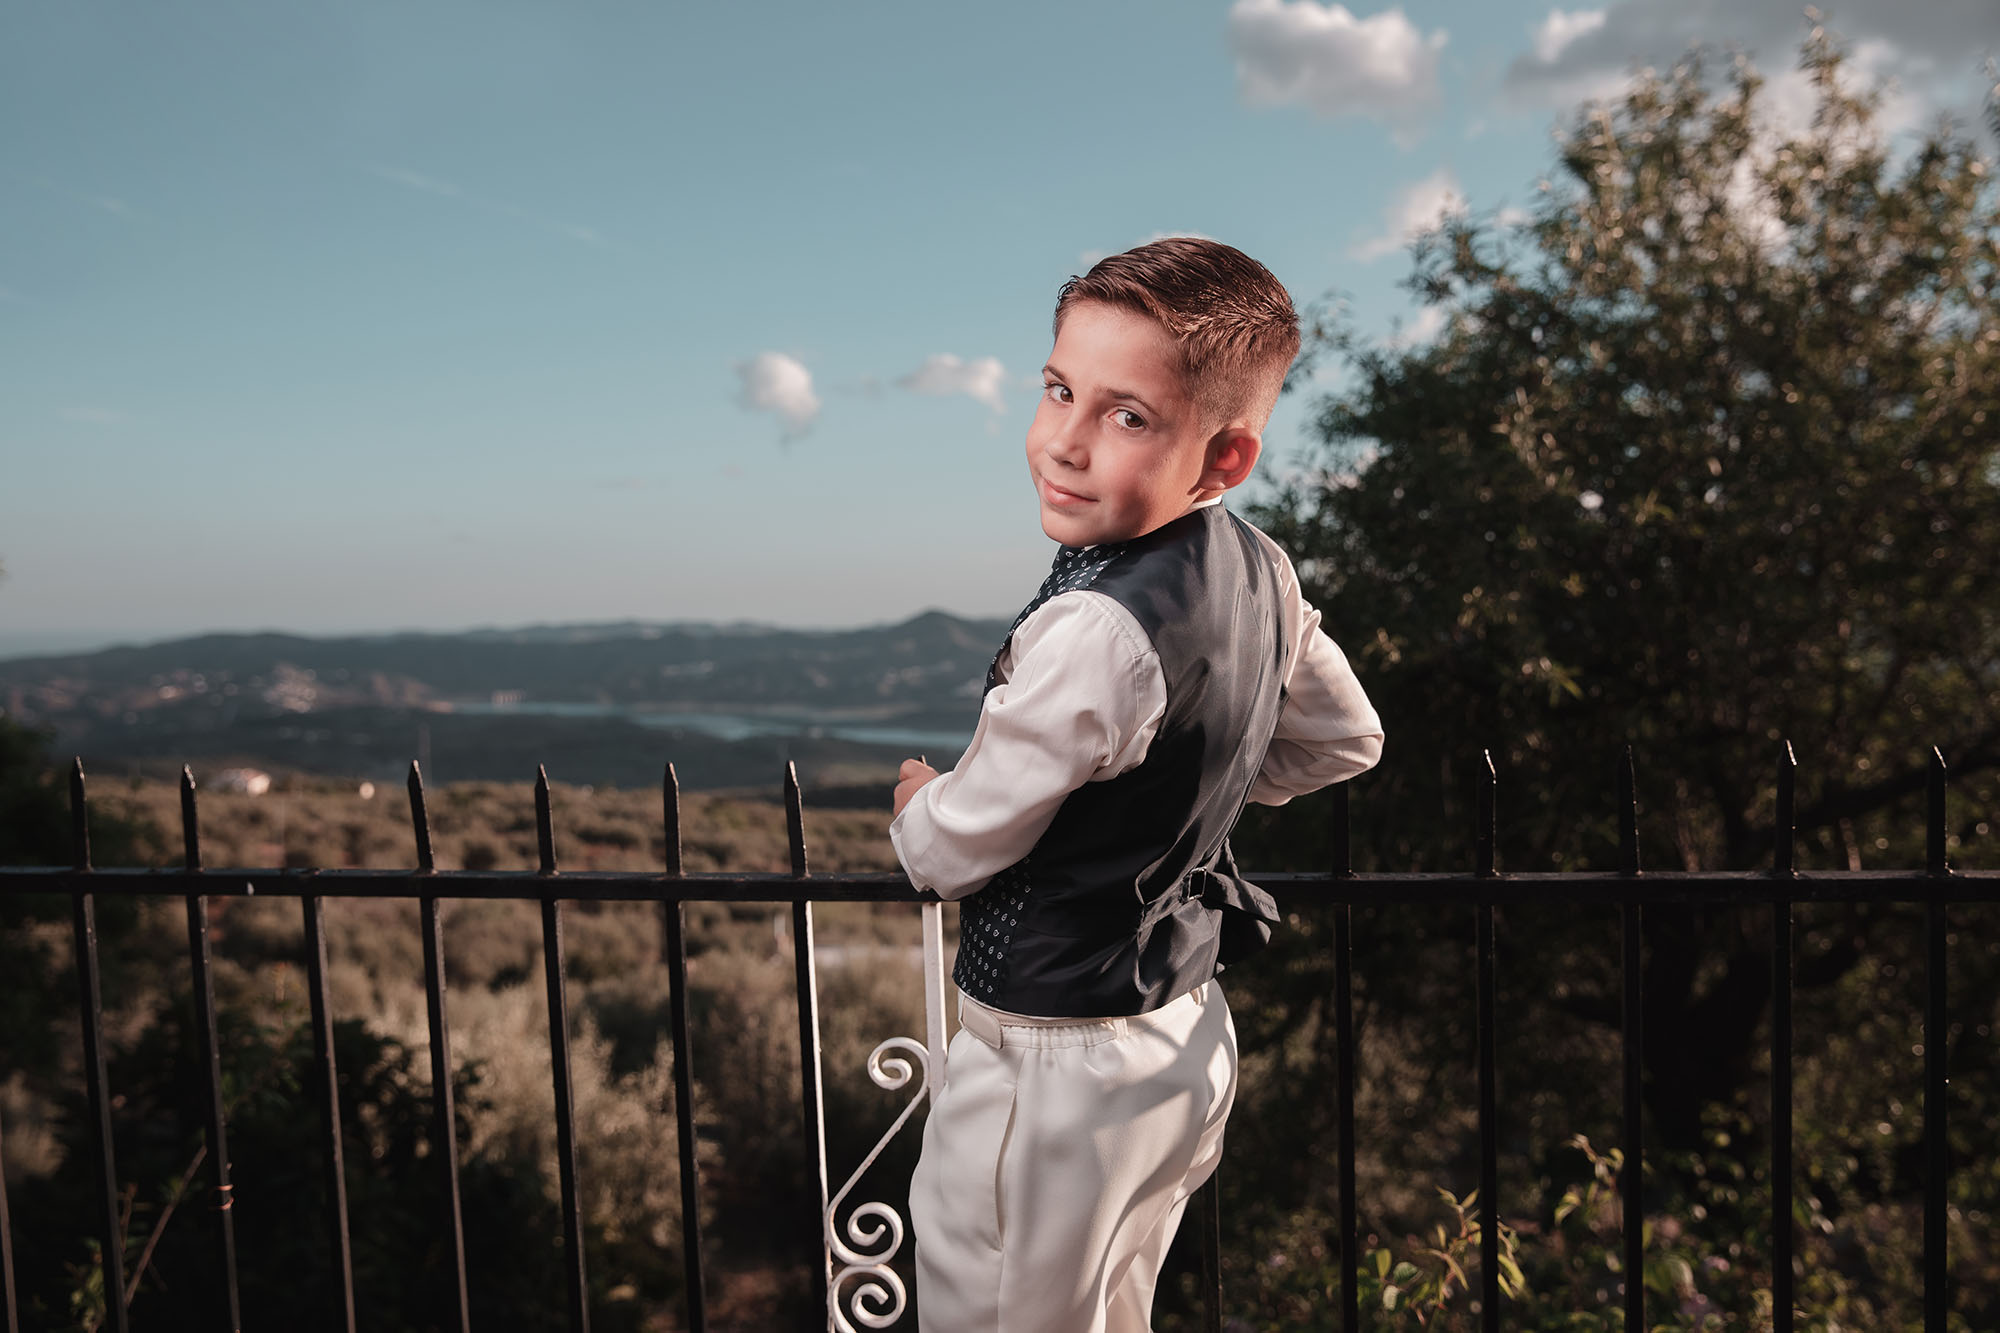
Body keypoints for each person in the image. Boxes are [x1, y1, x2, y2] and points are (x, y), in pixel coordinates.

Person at [889, 237, 1383, 1332]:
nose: (1064, 441)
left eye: (1126, 415)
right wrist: (1183, 790)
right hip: (1178, 1038)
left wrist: (920, 798)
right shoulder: (1263, 568)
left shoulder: (1097, 627)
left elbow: (947, 851)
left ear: (1223, 457)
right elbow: (1343, 739)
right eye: (1059, 389)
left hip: (1050, 1068)